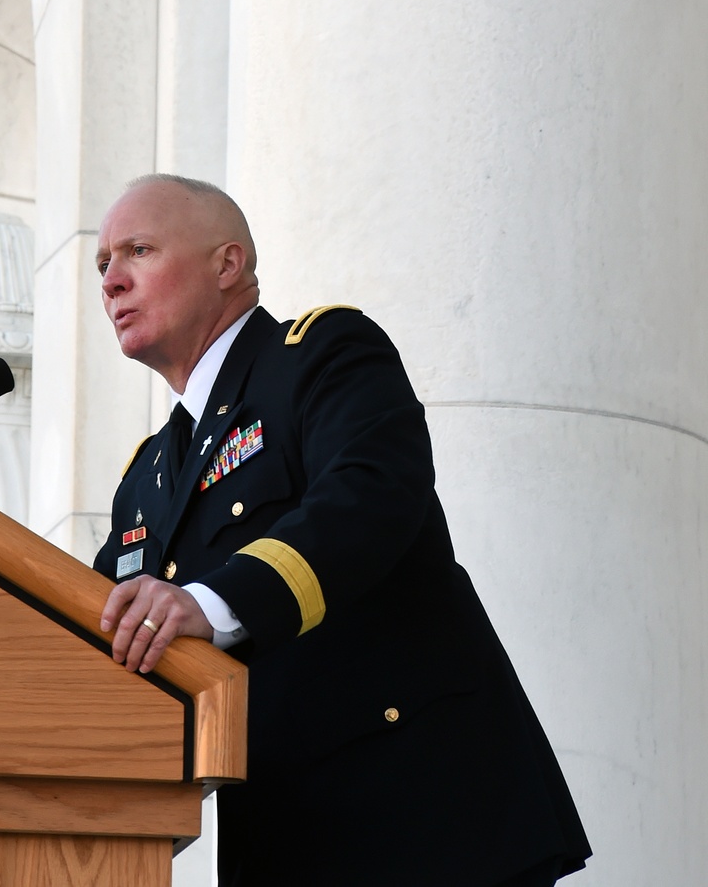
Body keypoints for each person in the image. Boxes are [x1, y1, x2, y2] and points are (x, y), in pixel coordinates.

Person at [94, 174, 592, 887]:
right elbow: (93, 626)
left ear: (227, 264)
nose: (112, 280)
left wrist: (206, 603)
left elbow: (371, 497)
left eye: (137, 250)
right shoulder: (147, 475)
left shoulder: (321, 355)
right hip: (282, 834)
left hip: (420, 815)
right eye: (102, 263)